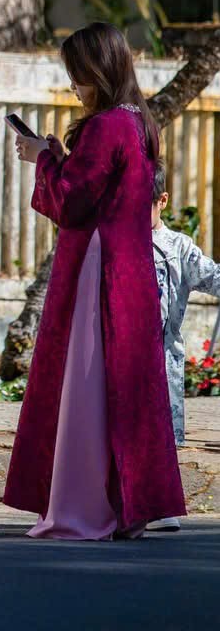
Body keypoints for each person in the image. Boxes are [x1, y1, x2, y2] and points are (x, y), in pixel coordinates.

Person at [4, 21, 184, 539]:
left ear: (98, 72)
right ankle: (125, 503)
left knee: (84, 382)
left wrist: (43, 161)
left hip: (96, 269)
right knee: (124, 386)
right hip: (129, 268)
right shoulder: (138, 123)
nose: (74, 87)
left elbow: (72, 202)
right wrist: (59, 157)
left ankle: (85, 507)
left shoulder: (107, 126)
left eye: (78, 76)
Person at [142, 159, 220, 534]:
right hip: (119, 356)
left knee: (161, 438)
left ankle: (159, 504)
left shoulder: (177, 248)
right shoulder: (113, 241)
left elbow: (211, 276)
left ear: (163, 201)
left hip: (162, 356)